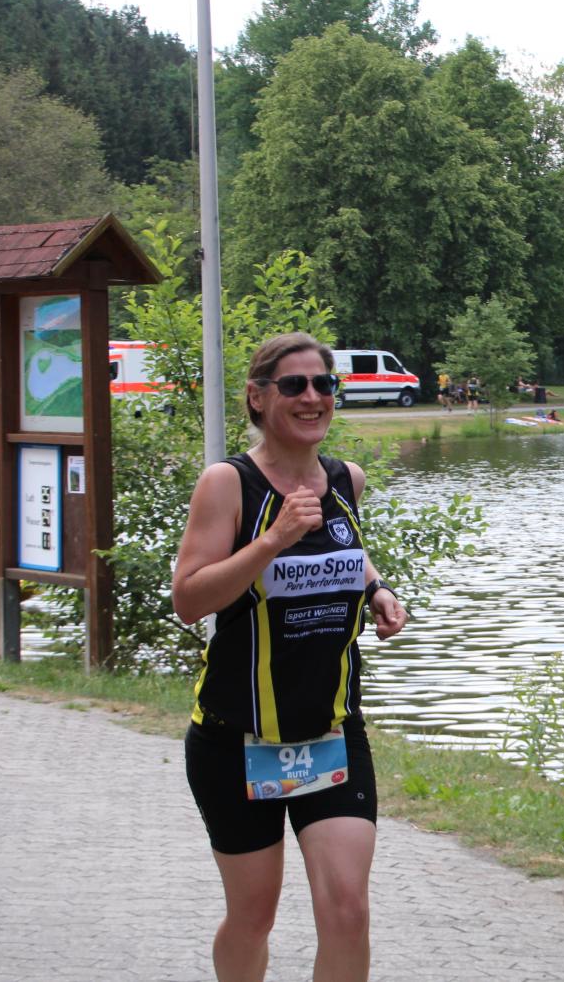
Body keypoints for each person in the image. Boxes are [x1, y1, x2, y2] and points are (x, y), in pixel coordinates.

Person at [173, 332, 408, 982]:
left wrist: (378, 589)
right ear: (258, 397)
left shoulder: (345, 480)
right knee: (253, 916)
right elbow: (189, 599)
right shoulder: (229, 483)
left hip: (330, 731)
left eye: (323, 384)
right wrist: (272, 540)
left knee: (347, 910)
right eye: (294, 385)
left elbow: (345, 550)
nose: (312, 397)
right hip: (236, 739)